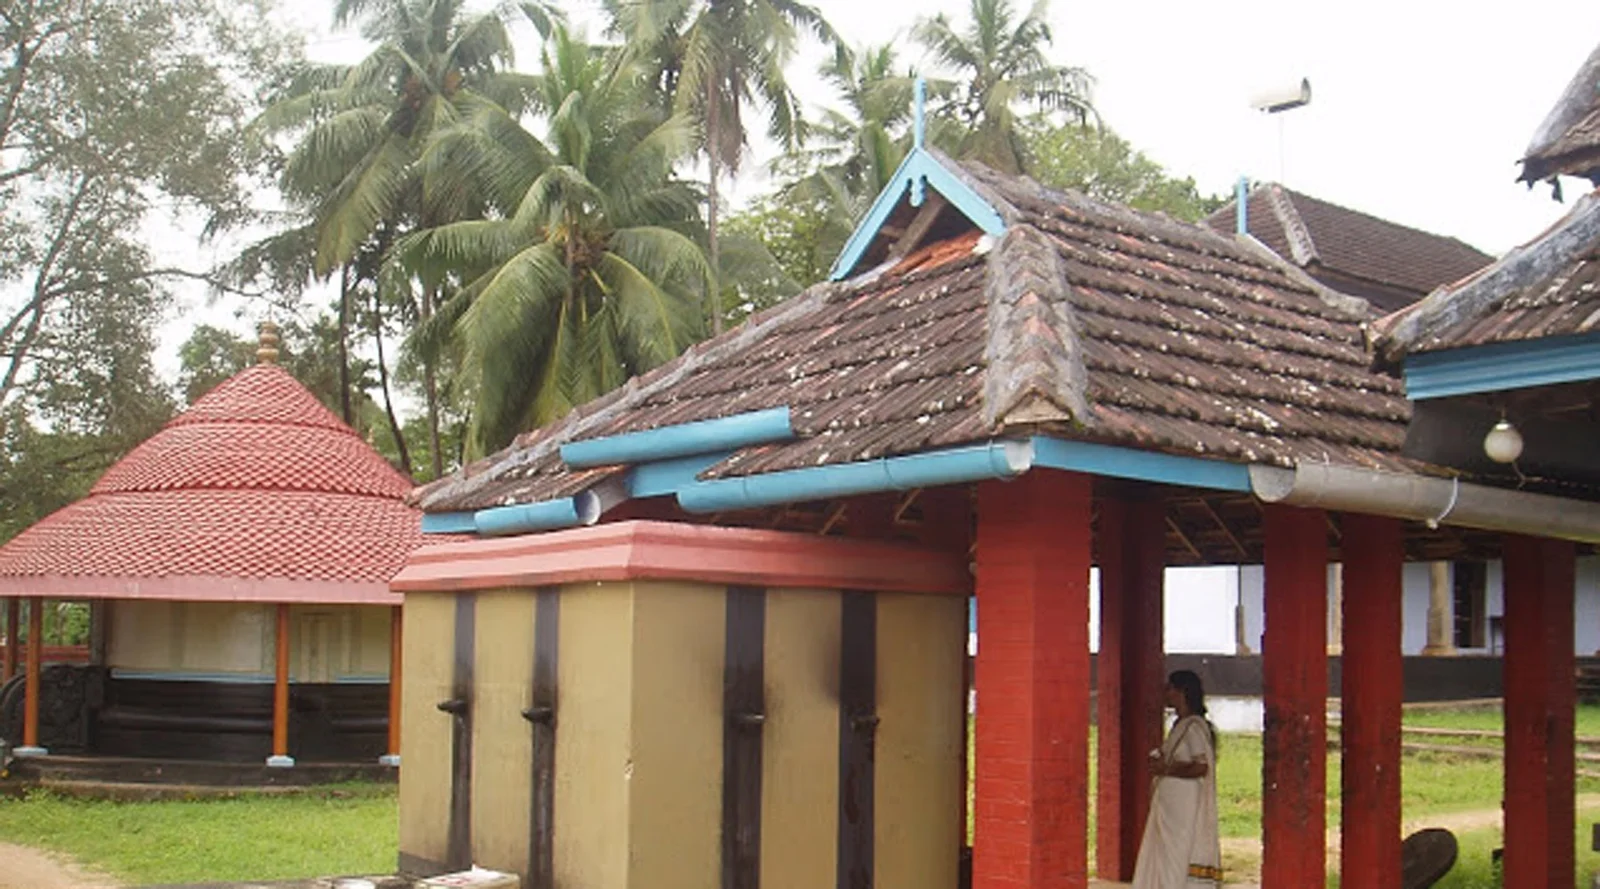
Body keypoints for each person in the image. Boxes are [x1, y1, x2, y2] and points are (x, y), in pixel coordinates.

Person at [1130, 670, 1222, 889]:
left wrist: (1167, 769)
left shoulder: (1195, 727)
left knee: (1178, 857)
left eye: (1169, 688)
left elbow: (1201, 767)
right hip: (1170, 809)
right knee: (1164, 856)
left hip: (1184, 809)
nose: (1165, 694)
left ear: (1182, 692)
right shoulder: (1179, 725)